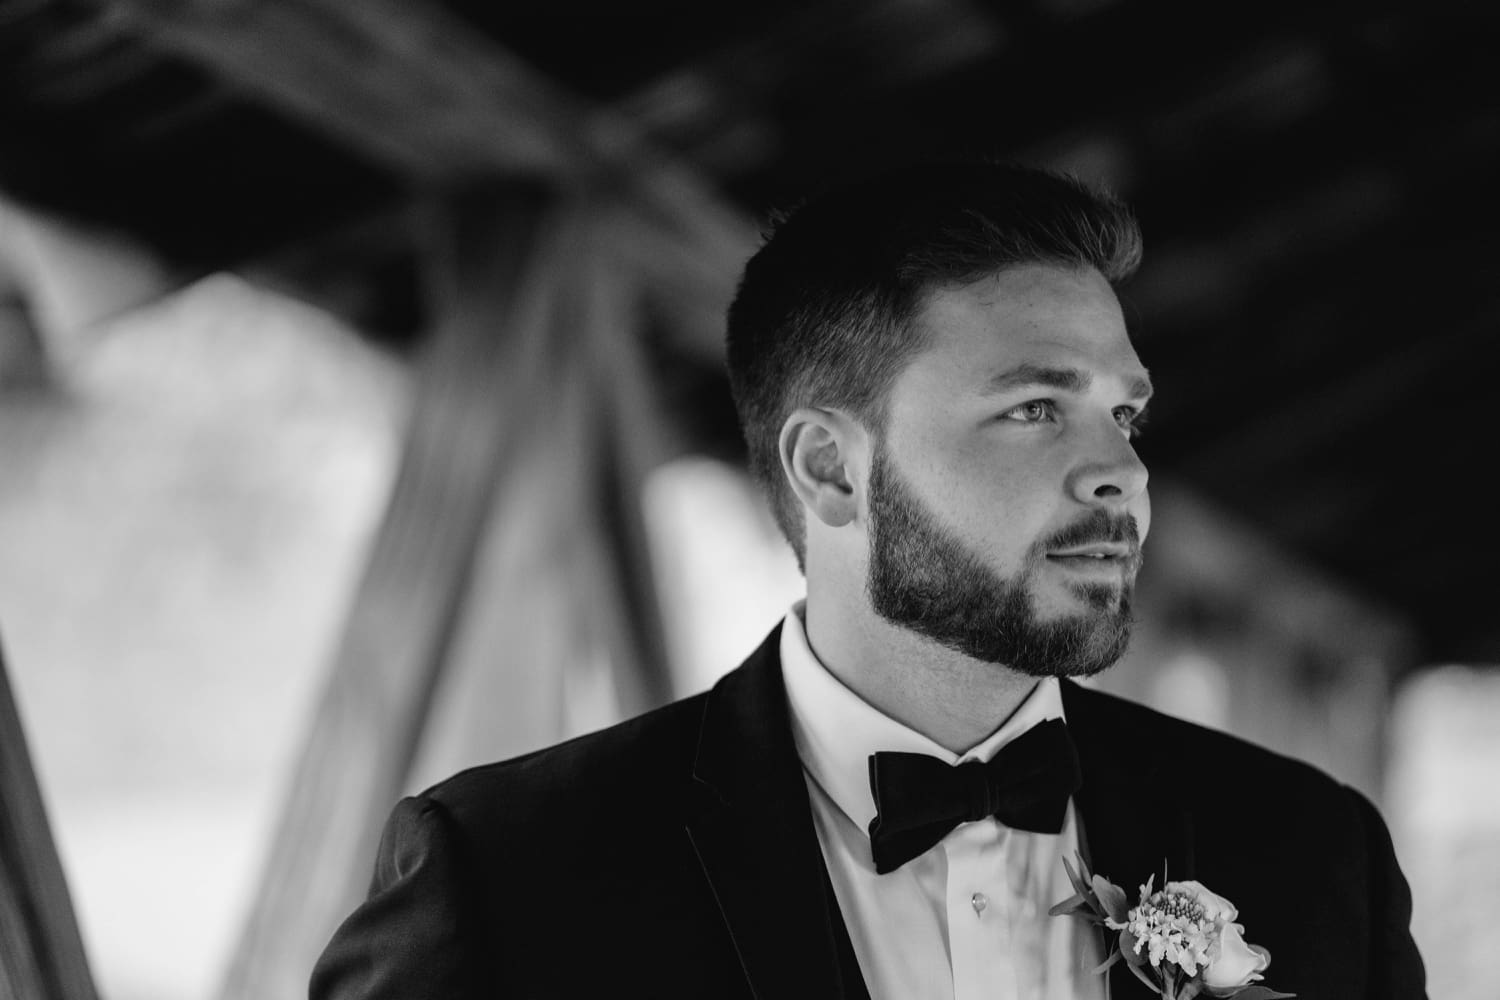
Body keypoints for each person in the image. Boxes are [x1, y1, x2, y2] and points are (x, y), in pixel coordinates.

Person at [310, 163, 1426, 999]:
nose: (1122, 475)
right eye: (1035, 408)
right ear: (831, 468)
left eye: (1122, 412)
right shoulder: (511, 878)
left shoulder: (1315, 855)